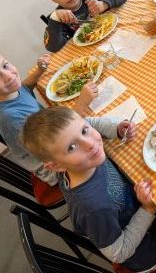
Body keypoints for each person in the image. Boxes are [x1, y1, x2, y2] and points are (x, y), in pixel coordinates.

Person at [22, 107, 156, 272]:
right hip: (151, 248)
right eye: (71, 147)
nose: (90, 144)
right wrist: (148, 209)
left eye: (84, 131)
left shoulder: (80, 164)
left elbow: (88, 121)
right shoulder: (92, 209)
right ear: (56, 166)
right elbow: (119, 253)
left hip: (137, 206)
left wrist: (116, 129)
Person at [0, 53, 97, 204]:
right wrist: (81, 105)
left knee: (97, 126)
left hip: (55, 137)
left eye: (5, 65)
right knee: (98, 142)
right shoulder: (10, 117)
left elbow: (25, 88)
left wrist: (40, 70)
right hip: (55, 165)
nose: (8, 76)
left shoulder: (10, 92)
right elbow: (59, 140)